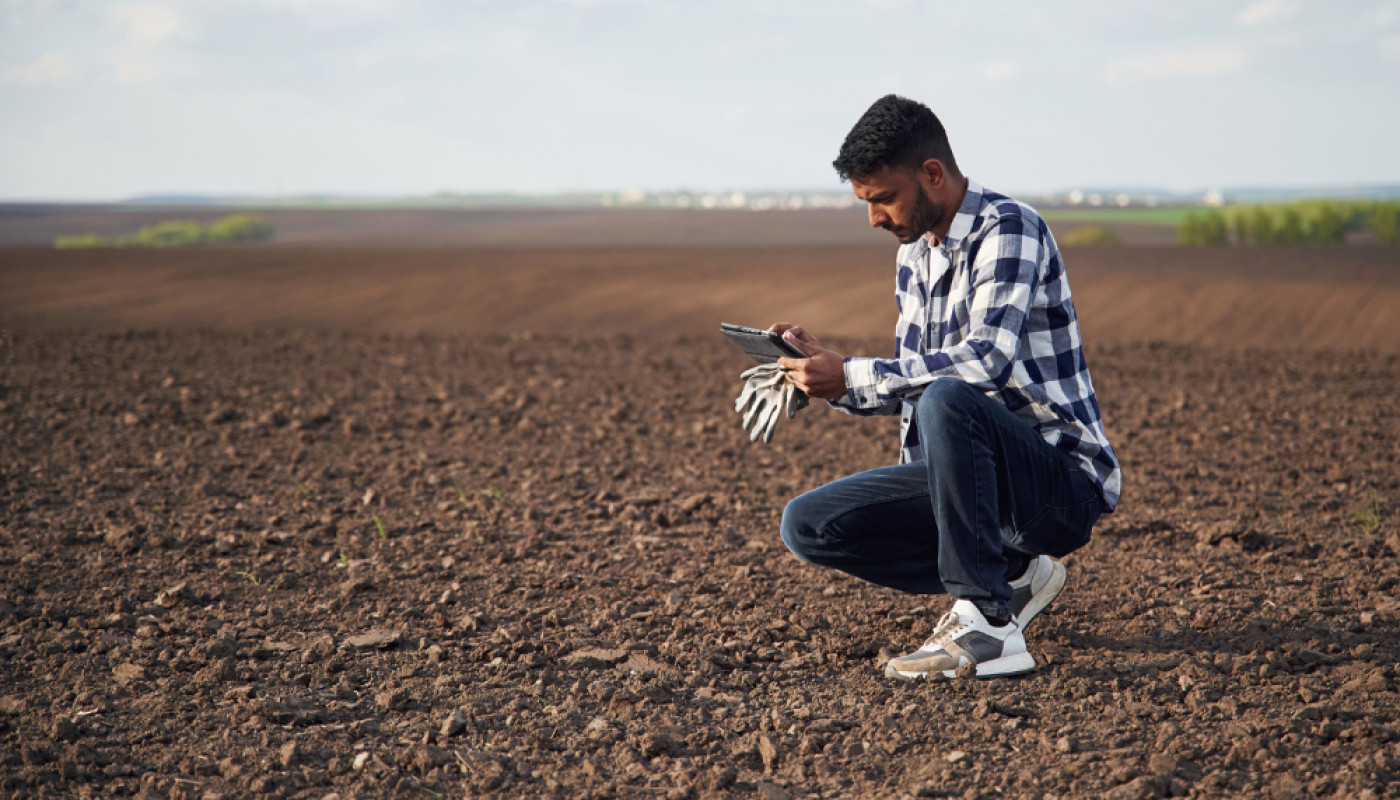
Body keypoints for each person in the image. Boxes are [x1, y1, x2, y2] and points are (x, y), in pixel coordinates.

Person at [771, 94, 1120, 681]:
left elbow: (984, 363)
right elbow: (914, 382)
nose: (875, 218)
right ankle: (1012, 574)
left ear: (931, 173)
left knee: (950, 395)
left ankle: (988, 625)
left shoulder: (1009, 229)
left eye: (883, 198)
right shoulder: (915, 255)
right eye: (866, 203)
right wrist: (826, 378)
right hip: (973, 484)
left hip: (1058, 486)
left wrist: (854, 370)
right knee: (807, 525)